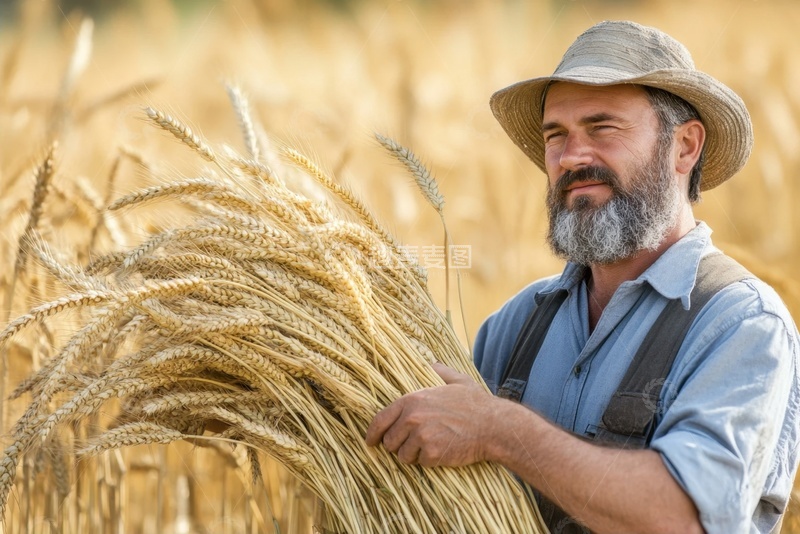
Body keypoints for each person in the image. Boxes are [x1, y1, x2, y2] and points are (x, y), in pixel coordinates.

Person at [365, 20, 800, 534]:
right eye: (556, 136)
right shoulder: (514, 325)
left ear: (685, 147)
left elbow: (684, 518)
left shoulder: (742, 325)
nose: (571, 157)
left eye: (602, 128)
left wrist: (498, 428)